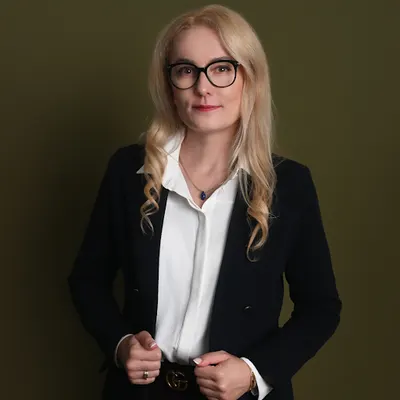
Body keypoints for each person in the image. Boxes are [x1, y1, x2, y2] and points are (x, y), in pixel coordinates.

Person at [68, 4, 342, 400]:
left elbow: (321, 307)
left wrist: (254, 372)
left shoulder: (290, 185)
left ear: (249, 78)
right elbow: (87, 281)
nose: (203, 87)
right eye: (186, 70)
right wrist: (120, 343)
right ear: (169, 83)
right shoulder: (128, 171)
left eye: (222, 68)